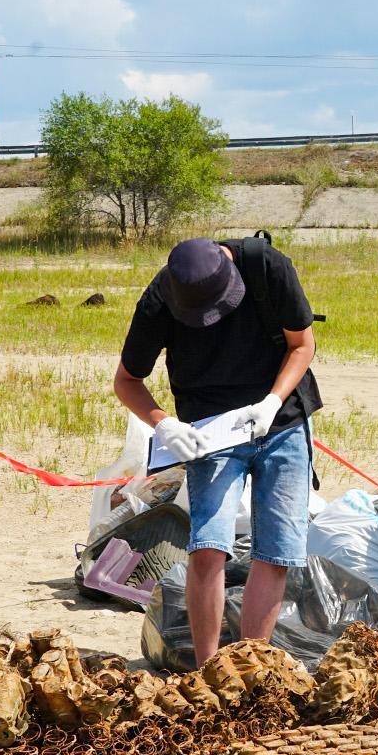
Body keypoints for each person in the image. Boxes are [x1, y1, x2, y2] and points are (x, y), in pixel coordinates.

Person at [114, 236, 321, 666]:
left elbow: (302, 345)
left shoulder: (266, 267)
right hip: (209, 433)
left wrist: (272, 401)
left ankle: (250, 666)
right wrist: (165, 424)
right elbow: (126, 381)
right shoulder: (159, 300)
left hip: (279, 421)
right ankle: (210, 673)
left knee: (276, 550)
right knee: (208, 547)